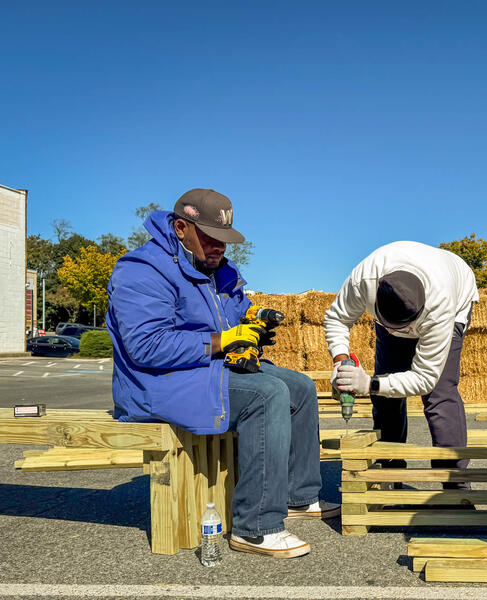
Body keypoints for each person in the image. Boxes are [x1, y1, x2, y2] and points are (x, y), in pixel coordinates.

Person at [107, 188, 339, 559]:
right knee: (267, 394)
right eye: (210, 239)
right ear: (181, 227)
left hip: (201, 370)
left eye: (224, 241)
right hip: (155, 382)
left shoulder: (218, 269)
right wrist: (223, 340)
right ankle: (257, 527)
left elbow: (237, 311)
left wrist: (252, 322)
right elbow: (146, 347)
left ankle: (299, 496)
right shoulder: (141, 269)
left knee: (299, 386)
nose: (219, 248)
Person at [323, 241, 478, 491]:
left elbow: (426, 378)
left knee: (440, 394)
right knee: (385, 396)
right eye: (391, 326)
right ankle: (390, 474)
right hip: (406, 298)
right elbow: (337, 319)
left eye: (403, 328)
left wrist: (369, 383)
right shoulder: (364, 280)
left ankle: (455, 485)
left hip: (456, 294)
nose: (399, 333)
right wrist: (340, 361)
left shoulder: (442, 304)